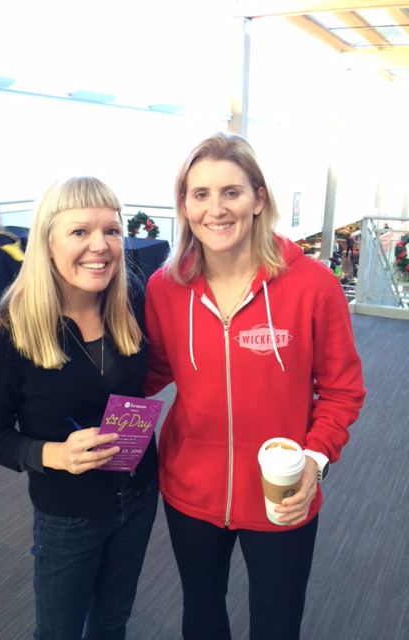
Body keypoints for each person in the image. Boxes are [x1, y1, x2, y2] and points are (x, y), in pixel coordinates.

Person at [144, 133, 366, 640]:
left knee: (276, 624)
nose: (215, 209)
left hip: (283, 487)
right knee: (201, 616)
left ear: (259, 198)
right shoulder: (165, 286)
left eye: (232, 192)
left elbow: (342, 389)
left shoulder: (313, 285)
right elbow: (151, 371)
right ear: (184, 205)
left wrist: (315, 459)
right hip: (190, 489)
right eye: (199, 194)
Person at [0, 177, 158, 640]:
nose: (100, 246)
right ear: (48, 242)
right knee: (59, 631)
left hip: (138, 496)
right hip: (68, 513)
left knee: (113, 622)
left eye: (112, 231)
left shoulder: (131, 302)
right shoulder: (5, 330)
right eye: (80, 232)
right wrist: (53, 454)